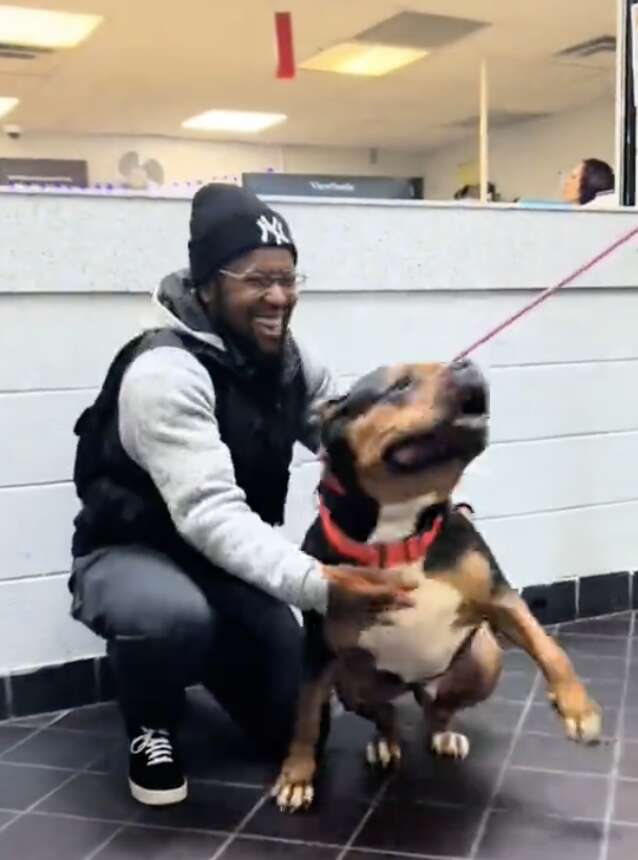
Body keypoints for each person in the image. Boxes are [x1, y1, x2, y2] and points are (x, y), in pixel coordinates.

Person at [69, 183, 412, 807]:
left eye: (287, 278)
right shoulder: (163, 371)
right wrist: (322, 584)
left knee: (296, 731)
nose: (279, 297)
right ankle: (151, 723)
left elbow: (344, 440)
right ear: (207, 285)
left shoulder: (289, 360)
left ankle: (216, 652)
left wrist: (410, 443)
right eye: (256, 279)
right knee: (169, 617)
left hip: (221, 569)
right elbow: (210, 515)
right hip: (131, 554)